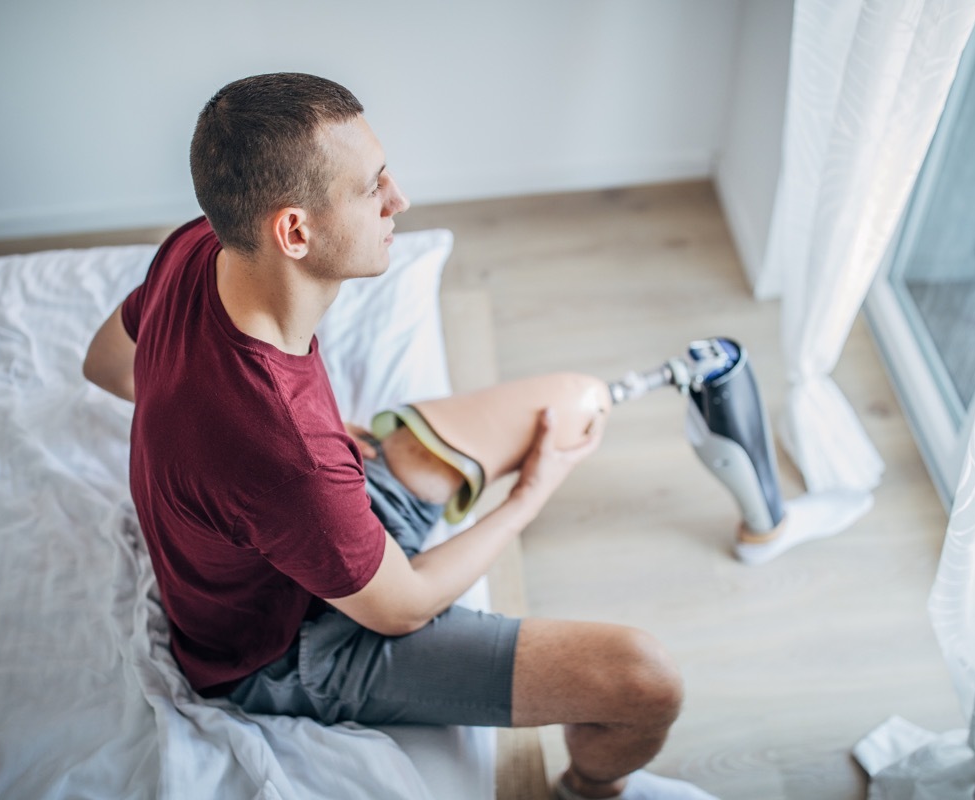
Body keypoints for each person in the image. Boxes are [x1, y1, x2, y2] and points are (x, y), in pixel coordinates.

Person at [83, 72, 718, 800]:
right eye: (371, 188)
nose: (398, 200)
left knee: (575, 401)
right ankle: (590, 790)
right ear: (294, 232)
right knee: (645, 683)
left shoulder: (202, 247)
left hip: (314, 518)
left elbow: (105, 363)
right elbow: (404, 606)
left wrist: (229, 443)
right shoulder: (290, 457)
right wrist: (528, 497)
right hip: (282, 650)